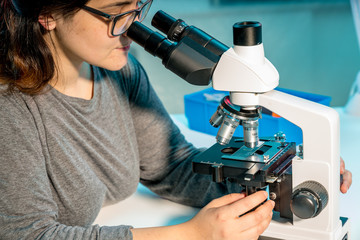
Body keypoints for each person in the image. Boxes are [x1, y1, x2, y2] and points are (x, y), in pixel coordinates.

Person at [0, 0, 352, 239]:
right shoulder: (11, 107)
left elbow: (171, 168)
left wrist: (282, 185)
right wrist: (191, 233)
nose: (132, 27)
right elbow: (29, 234)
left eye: (137, 8)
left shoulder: (121, 75)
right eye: (114, 15)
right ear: (47, 14)